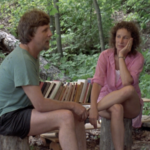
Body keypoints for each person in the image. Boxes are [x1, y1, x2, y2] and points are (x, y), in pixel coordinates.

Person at [0, 9, 88, 150]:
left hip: (21, 111)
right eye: (45, 30)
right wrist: (72, 104)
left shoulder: (30, 56)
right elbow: (40, 104)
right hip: (8, 118)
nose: (50, 34)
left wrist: (73, 107)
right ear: (30, 34)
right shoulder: (23, 59)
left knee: (75, 115)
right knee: (65, 117)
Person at [89, 21, 144, 150]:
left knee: (129, 89)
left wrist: (121, 56)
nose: (121, 41)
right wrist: (93, 106)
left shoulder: (138, 57)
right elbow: (97, 83)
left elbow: (126, 82)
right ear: (114, 37)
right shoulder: (105, 55)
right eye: (118, 36)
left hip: (131, 105)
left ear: (132, 40)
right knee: (117, 108)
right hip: (108, 103)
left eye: (125, 37)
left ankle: (90, 111)